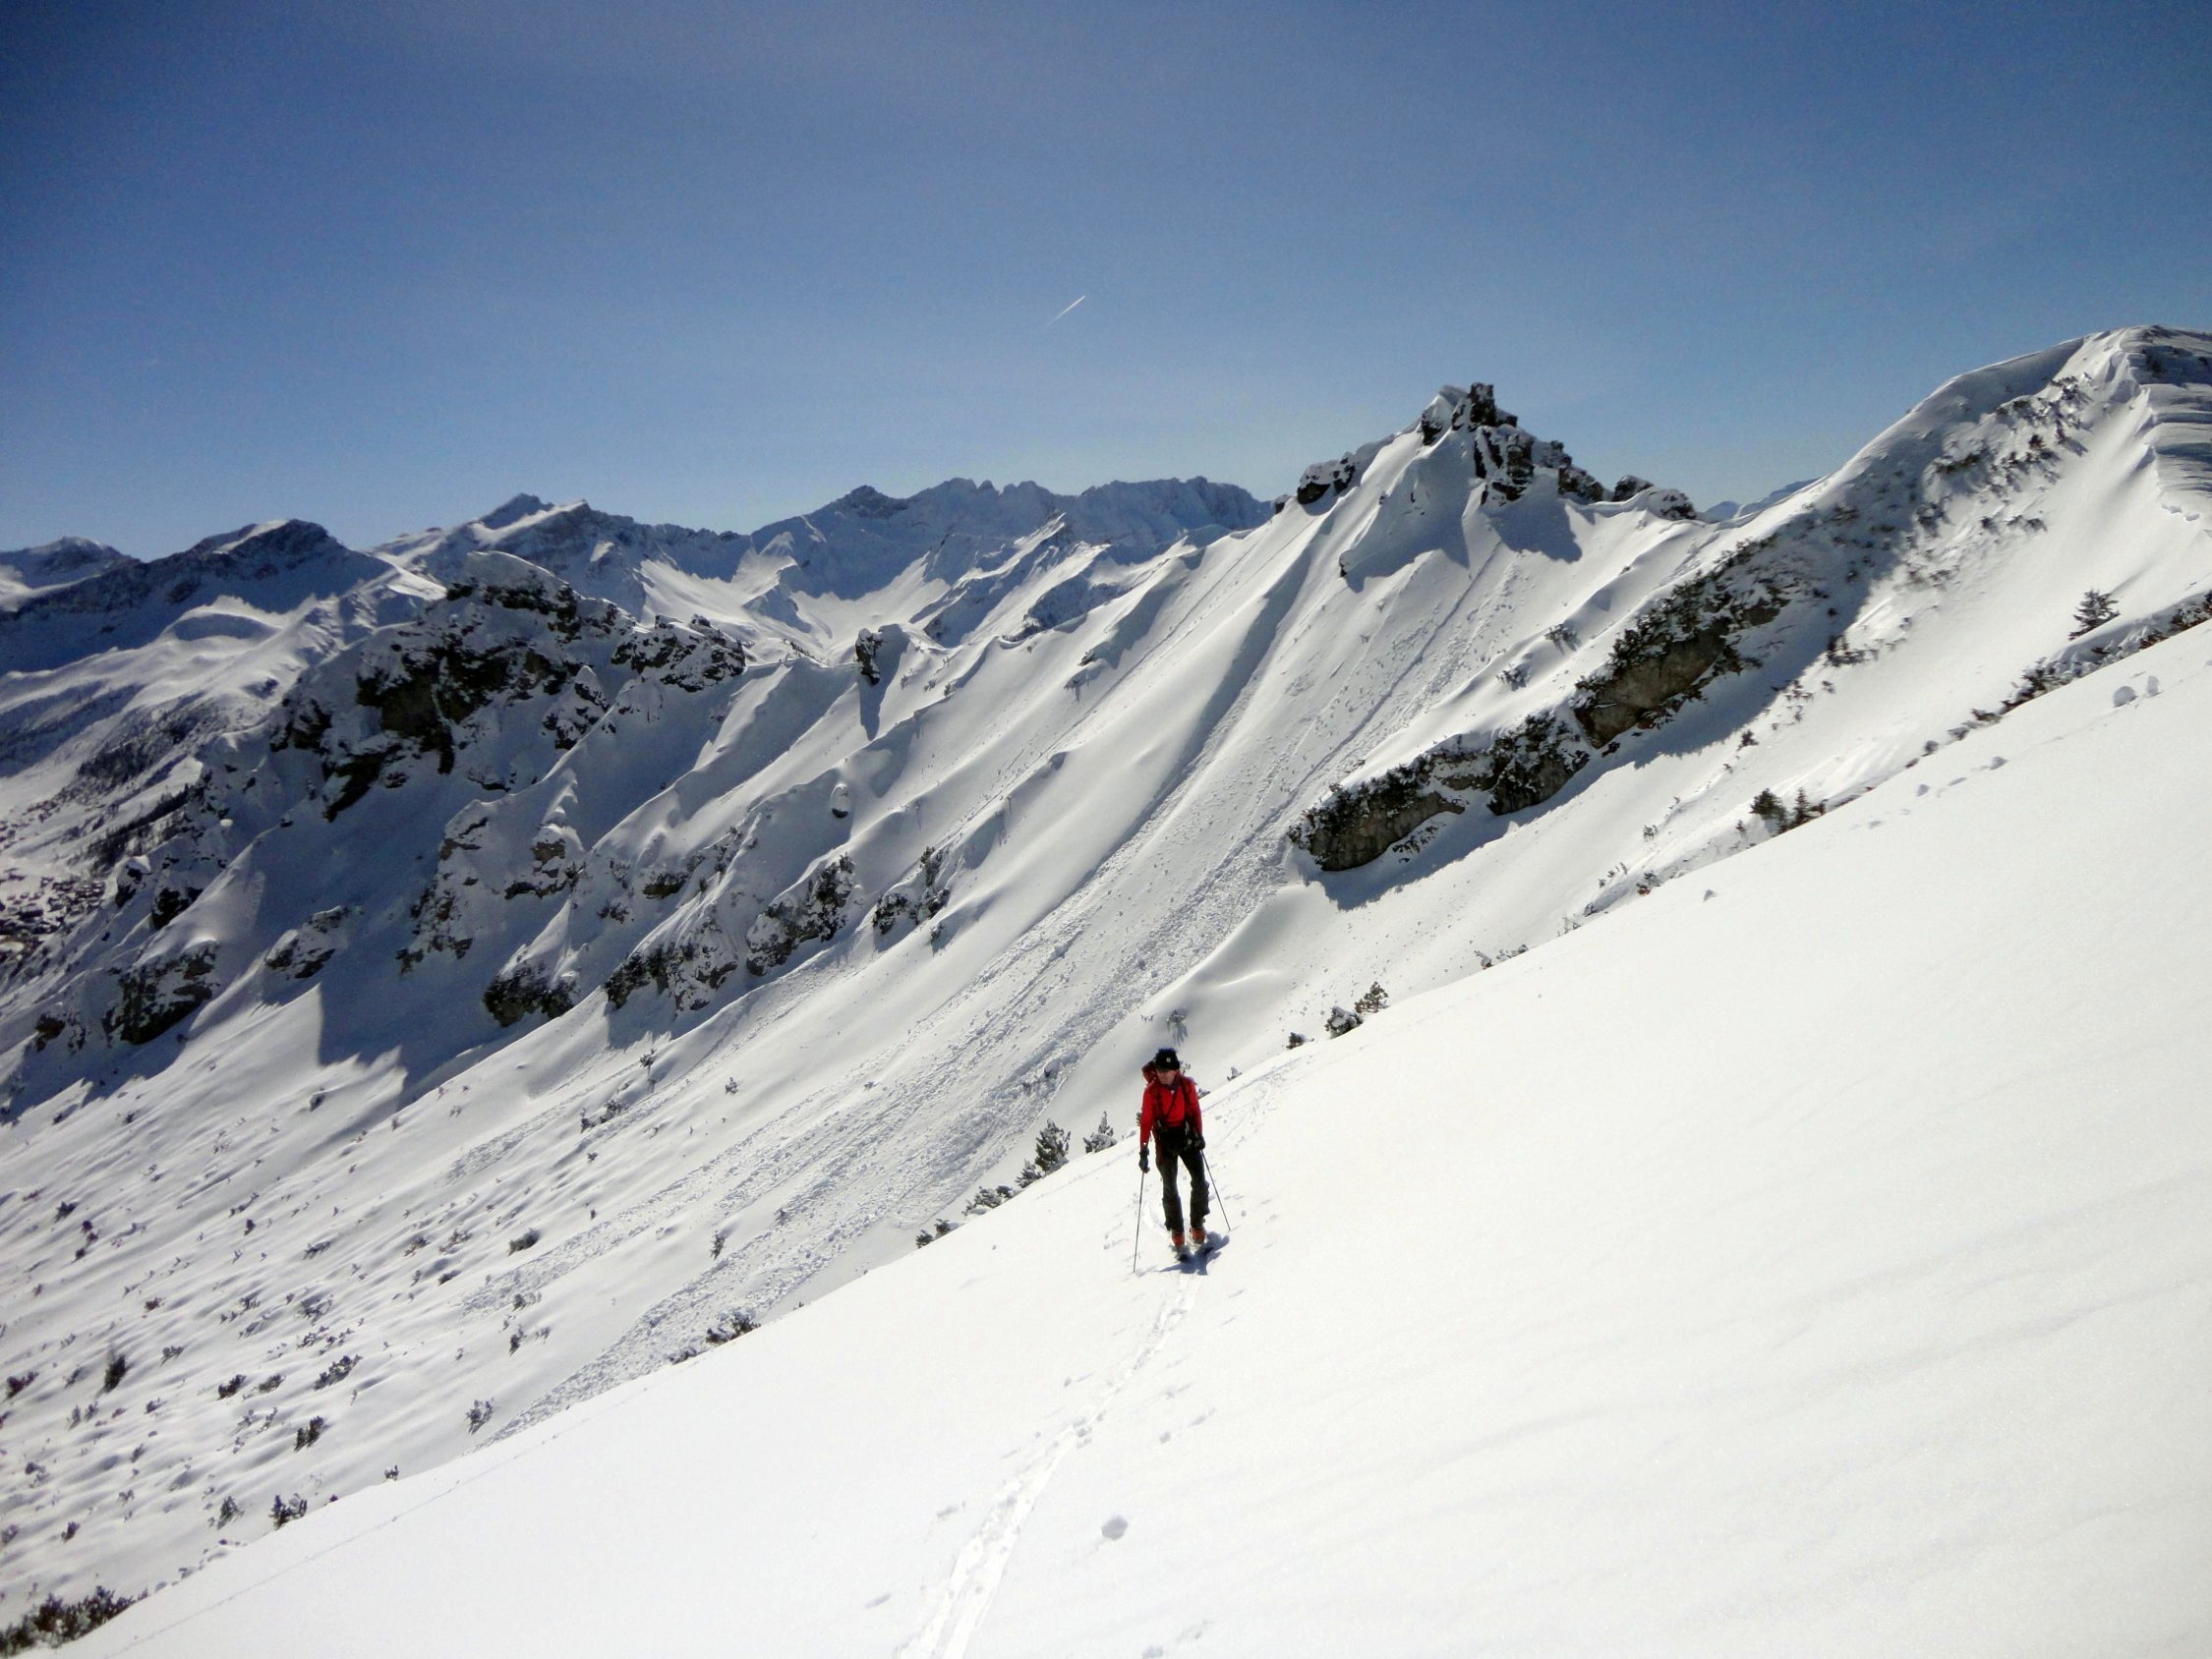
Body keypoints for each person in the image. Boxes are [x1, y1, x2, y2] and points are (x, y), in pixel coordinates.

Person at [1137, 1047, 1210, 1258]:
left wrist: (1199, 1135)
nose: (1162, 1074)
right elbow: (1146, 1121)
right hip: (1164, 1142)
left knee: (1199, 1181)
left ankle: (1197, 1224)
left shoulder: (1186, 1086)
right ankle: (1177, 1231)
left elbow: (1195, 1111)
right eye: (1160, 1070)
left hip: (1186, 1137)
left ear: (1176, 1070)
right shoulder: (1151, 1092)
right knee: (1170, 1187)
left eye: (1166, 1070)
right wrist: (1143, 1150)